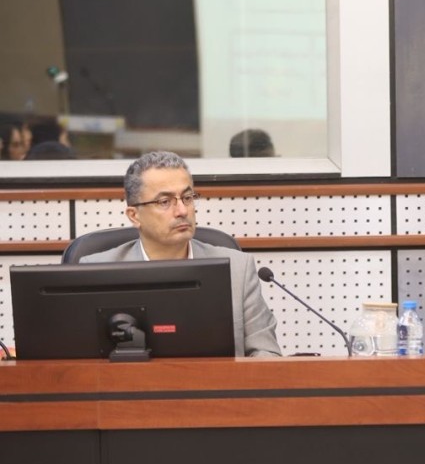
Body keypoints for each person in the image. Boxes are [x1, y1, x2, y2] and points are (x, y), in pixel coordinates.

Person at [80, 151, 281, 357]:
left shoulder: (238, 268)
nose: (182, 211)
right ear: (134, 216)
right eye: (164, 202)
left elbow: (266, 353)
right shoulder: (96, 272)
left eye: (187, 198)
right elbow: (78, 363)